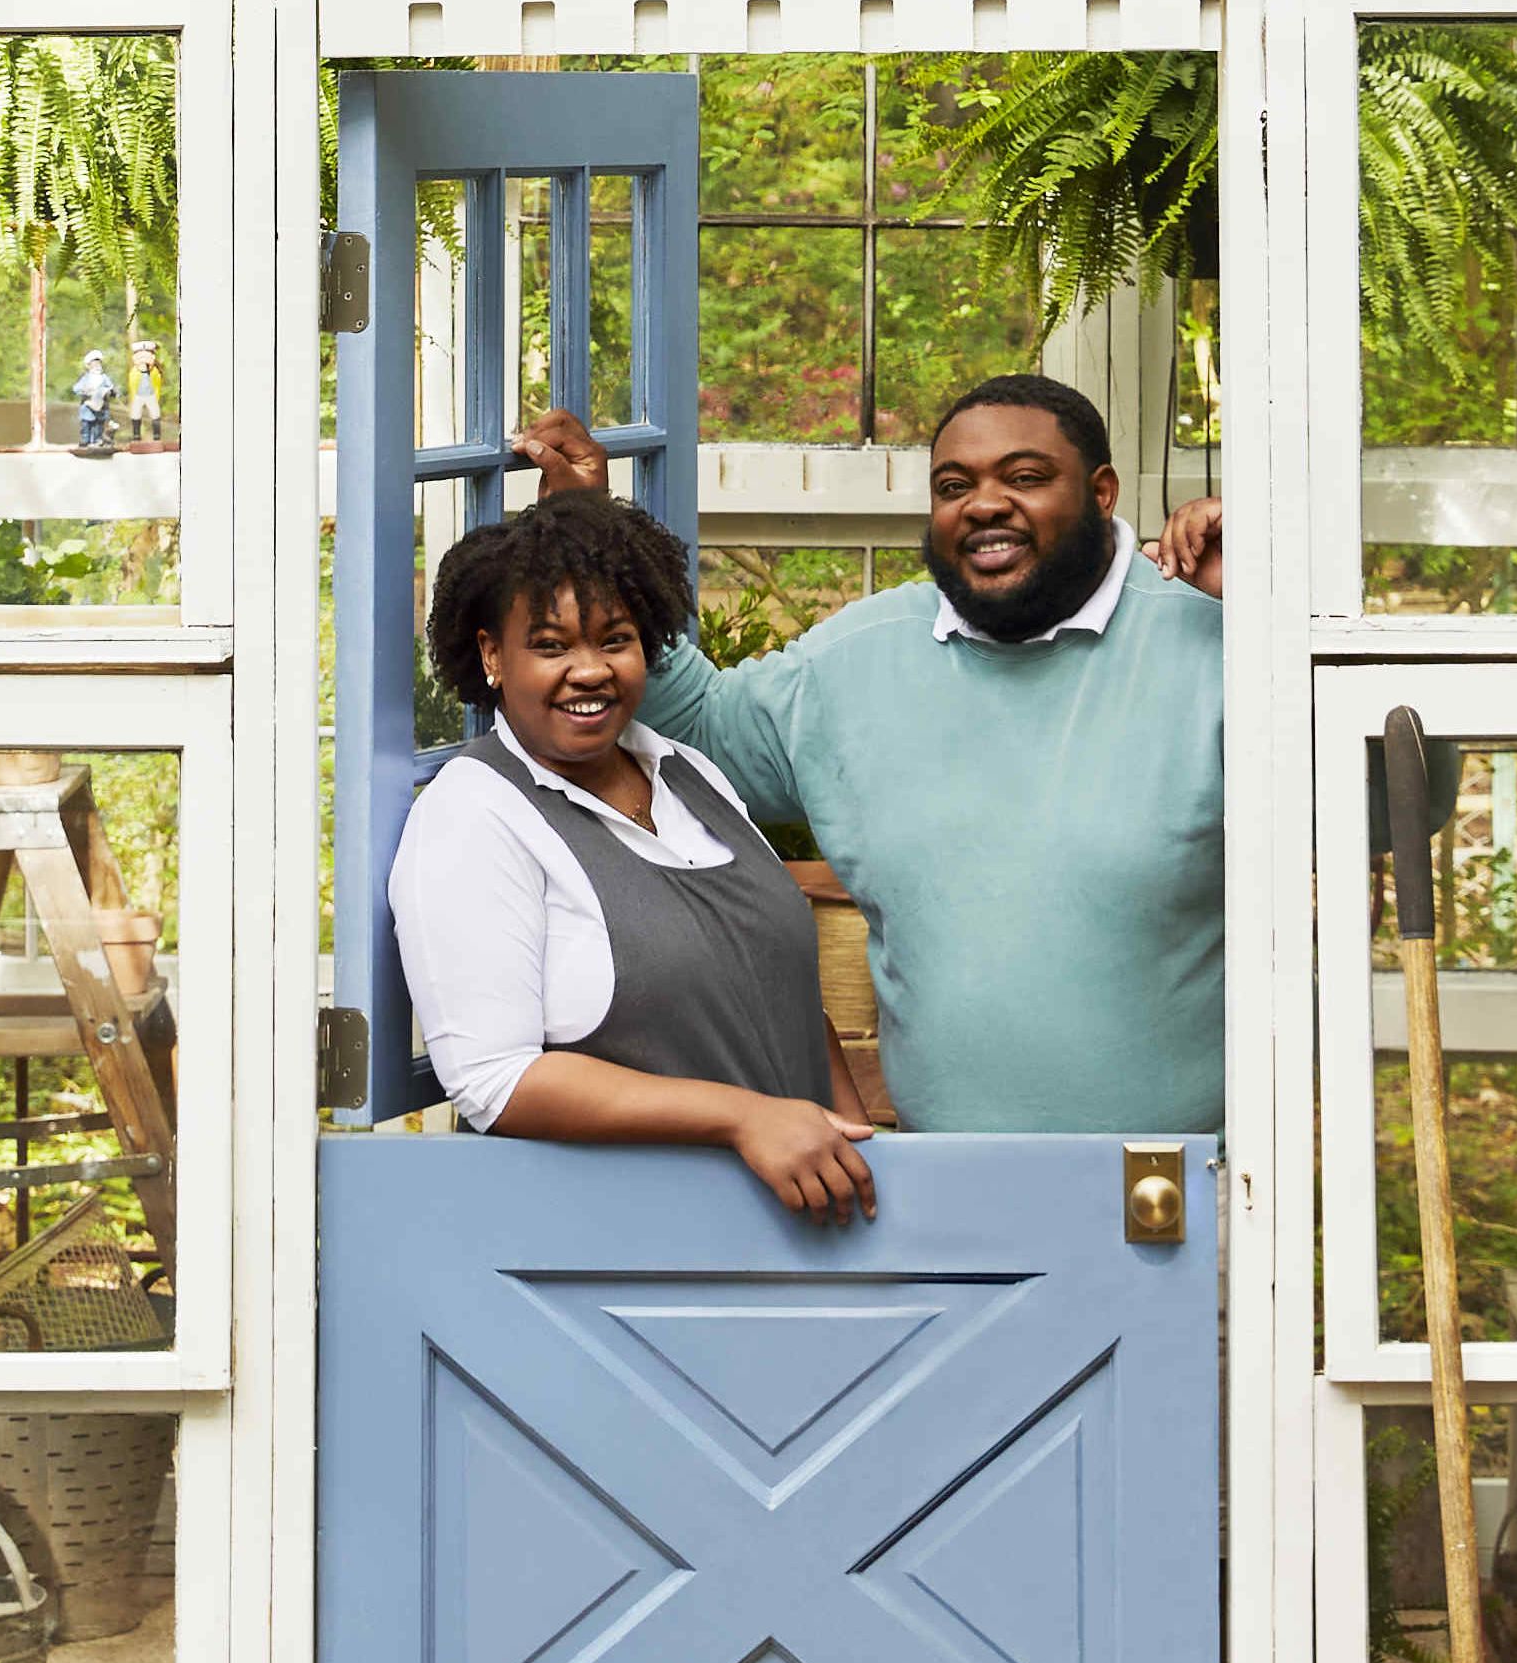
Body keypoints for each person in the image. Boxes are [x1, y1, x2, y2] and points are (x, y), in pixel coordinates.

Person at [513, 374, 1222, 1136]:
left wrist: (1275, 605)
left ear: (1103, 491)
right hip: (948, 1199)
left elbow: (1352, 822)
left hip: (1182, 1203)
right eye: (954, 485)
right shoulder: (859, 659)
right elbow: (700, 727)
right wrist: (588, 529)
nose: (983, 503)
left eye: (1024, 477)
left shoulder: (1213, 646)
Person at [385, 488, 878, 1221]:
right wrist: (744, 1116)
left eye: (613, 639)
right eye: (551, 646)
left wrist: (869, 1157)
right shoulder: (475, 813)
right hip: (629, 1255)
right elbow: (496, 1081)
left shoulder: (688, 773)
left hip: (808, 1227)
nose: (589, 670)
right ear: (492, 654)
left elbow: (790, 1000)